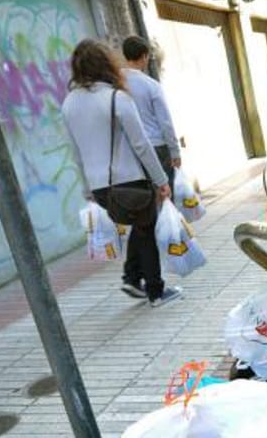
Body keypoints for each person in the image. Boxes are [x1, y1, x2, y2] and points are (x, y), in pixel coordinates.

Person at [62, 39, 182, 307]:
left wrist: (87, 189)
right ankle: (155, 291)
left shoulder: (69, 103)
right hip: (131, 180)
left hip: (100, 187)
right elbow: (141, 145)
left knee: (139, 231)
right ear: (107, 64)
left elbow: (76, 152)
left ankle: (132, 278)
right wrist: (161, 180)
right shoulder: (117, 98)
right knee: (146, 229)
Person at [121, 35, 181, 190]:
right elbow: (165, 122)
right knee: (165, 195)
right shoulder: (151, 85)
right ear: (144, 56)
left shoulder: (115, 84)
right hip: (157, 147)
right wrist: (175, 151)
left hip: (130, 150)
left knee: (144, 200)